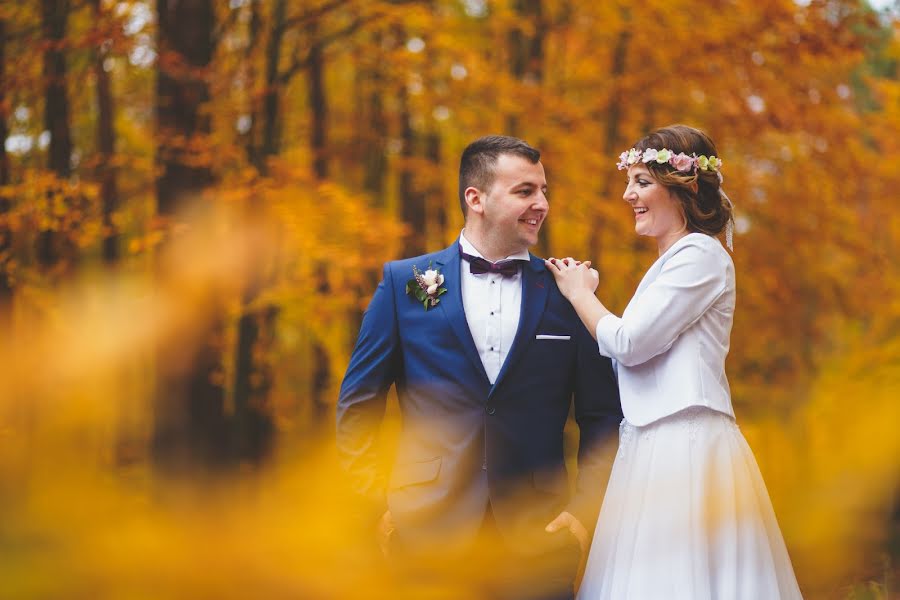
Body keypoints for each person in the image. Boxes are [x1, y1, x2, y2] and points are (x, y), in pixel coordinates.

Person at [336, 135, 623, 599]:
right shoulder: (403, 284)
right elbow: (358, 406)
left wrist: (583, 514)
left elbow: (604, 416)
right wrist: (378, 508)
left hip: (540, 536)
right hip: (423, 534)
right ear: (477, 198)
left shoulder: (570, 293)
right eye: (525, 191)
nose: (542, 204)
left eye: (544, 191)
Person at [546, 125, 803, 599]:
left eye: (642, 181)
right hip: (650, 443)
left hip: (687, 449)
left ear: (681, 186)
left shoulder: (701, 255)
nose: (628, 195)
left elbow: (630, 341)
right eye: (630, 182)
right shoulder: (670, 262)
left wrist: (580, 294)